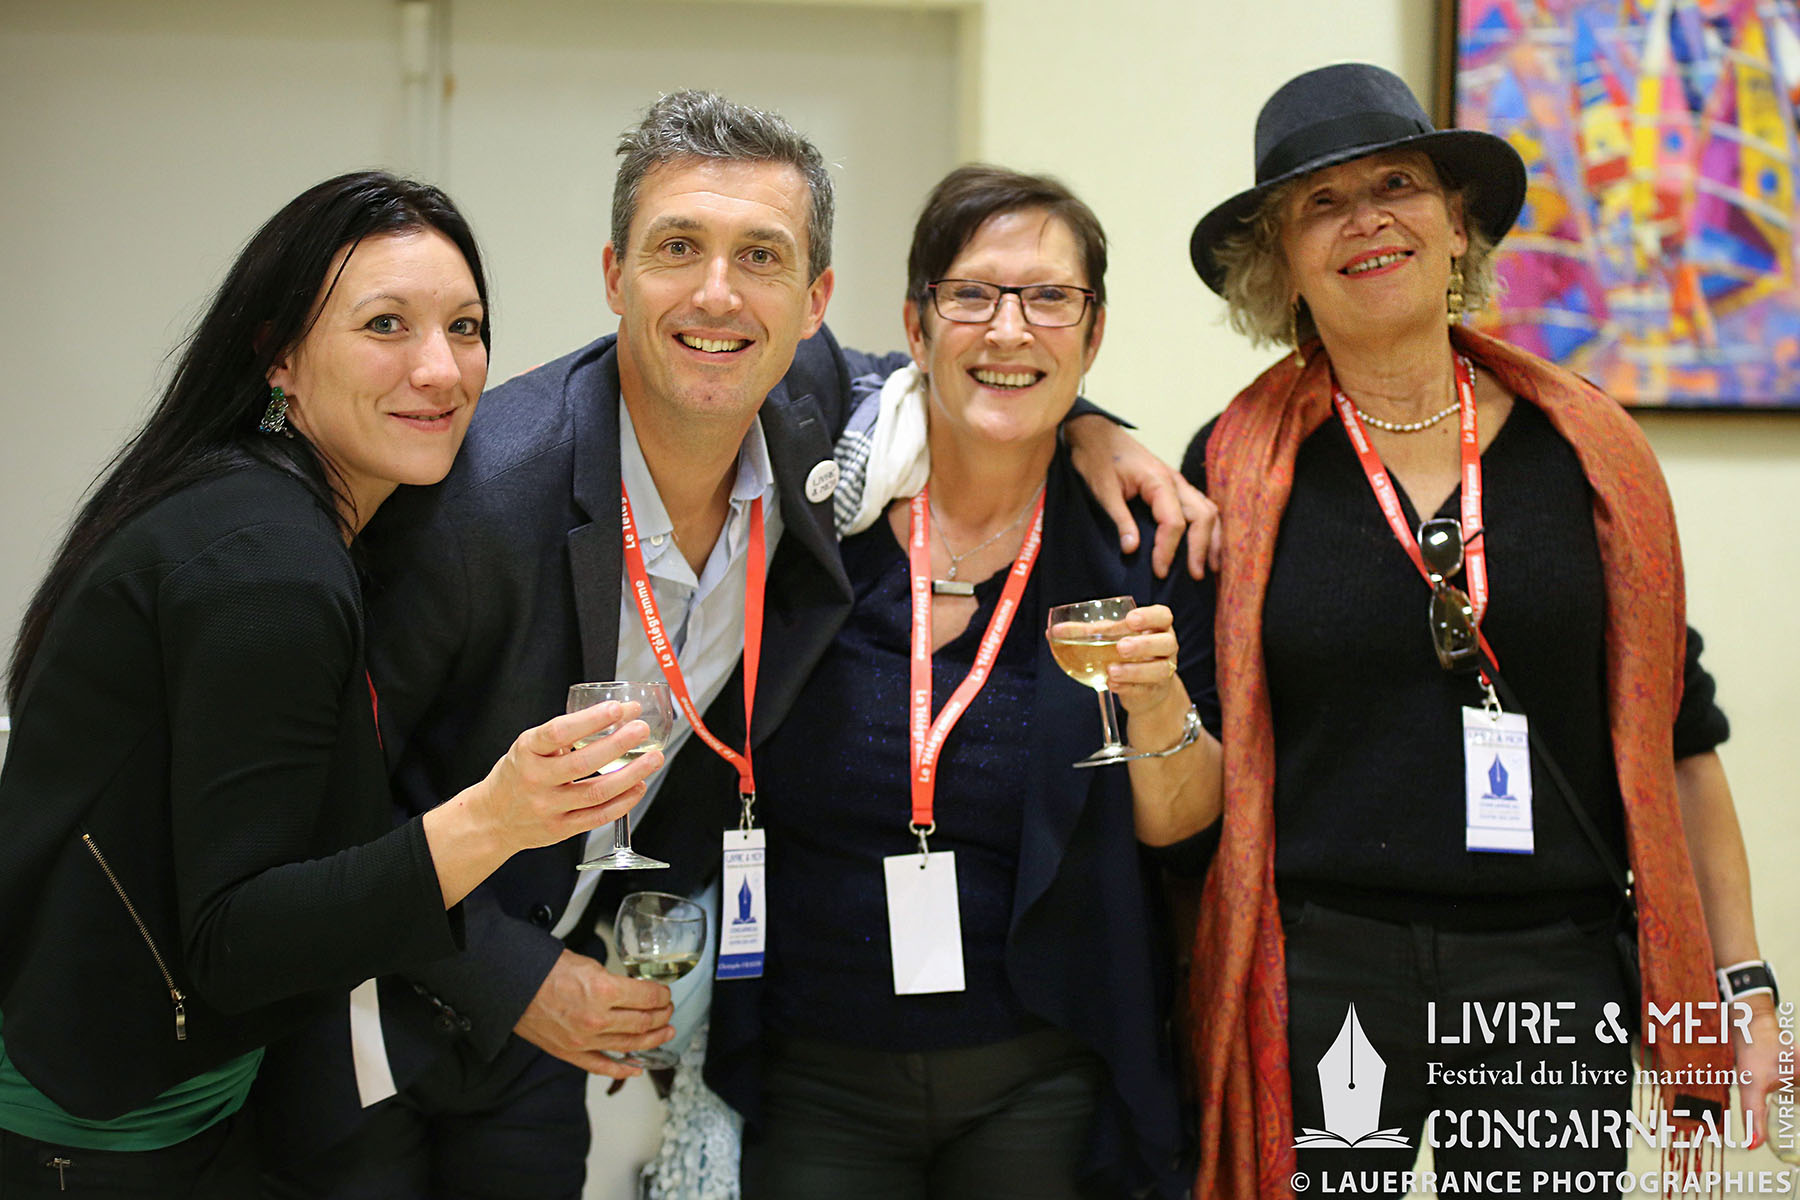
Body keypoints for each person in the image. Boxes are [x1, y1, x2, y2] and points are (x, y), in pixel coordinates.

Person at [254, 94, 1209, 1200]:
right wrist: (514, 975)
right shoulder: (477, 496)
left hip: (561, 1038)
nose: (717, 294)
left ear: (815, 303)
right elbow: (330, 802)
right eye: (678, 249)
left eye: (760, 256)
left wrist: (1099, 427)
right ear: (614, 275)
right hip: (371, 1013)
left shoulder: (809, 416)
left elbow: (984, 373)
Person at [1180, 64, 1780, 1198]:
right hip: (1320, 971)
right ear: (1284, 268)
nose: (1367, 220)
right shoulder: (1230, 467)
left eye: (1397, 183)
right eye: (1320, 203)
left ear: (1457, 228)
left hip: (1548, 973)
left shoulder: (1588, 455)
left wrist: (1741, 979)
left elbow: (1679, 746)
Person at [0, 171, 663, 1196]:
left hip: (148, 1093)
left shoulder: (249, 506)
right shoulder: (268, 566)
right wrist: (497, 816)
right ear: (279, 357)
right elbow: (239, 938)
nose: (440, 370)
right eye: (386, 325)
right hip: (102, 1127)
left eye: (465, 327)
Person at [701, 164, 1219, 1200]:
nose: (1010, 329)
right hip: (816, 1067)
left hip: (1041, 1070)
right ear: (917, 319)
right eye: (973, 295)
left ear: (1095, 331)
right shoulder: (814, 522)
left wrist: (1159, 707)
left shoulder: (1141, 548)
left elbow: (1186, 834)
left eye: (1049, 298)